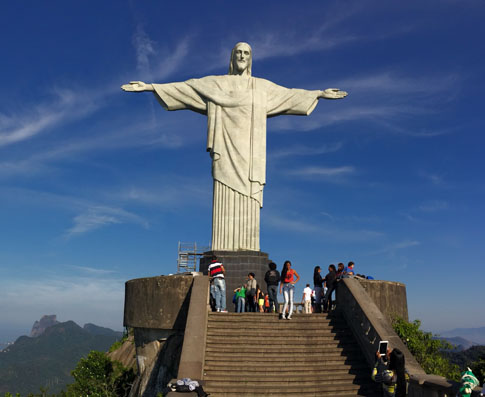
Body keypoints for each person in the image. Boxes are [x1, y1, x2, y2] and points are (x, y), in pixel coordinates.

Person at [122, 42, 347, 252]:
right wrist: (151, 87)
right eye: (238, 52)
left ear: (251, 59)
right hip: (225, 149)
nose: (242, 56)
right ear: (232, 57)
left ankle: (247, 247)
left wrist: (318, 93)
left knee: (249, 193)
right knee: (223, 188)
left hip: (251, 153)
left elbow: (289, 95)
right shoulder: (217, 84)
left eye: (246, 53)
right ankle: (222, 246)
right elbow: (188, 88)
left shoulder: (261, 87)